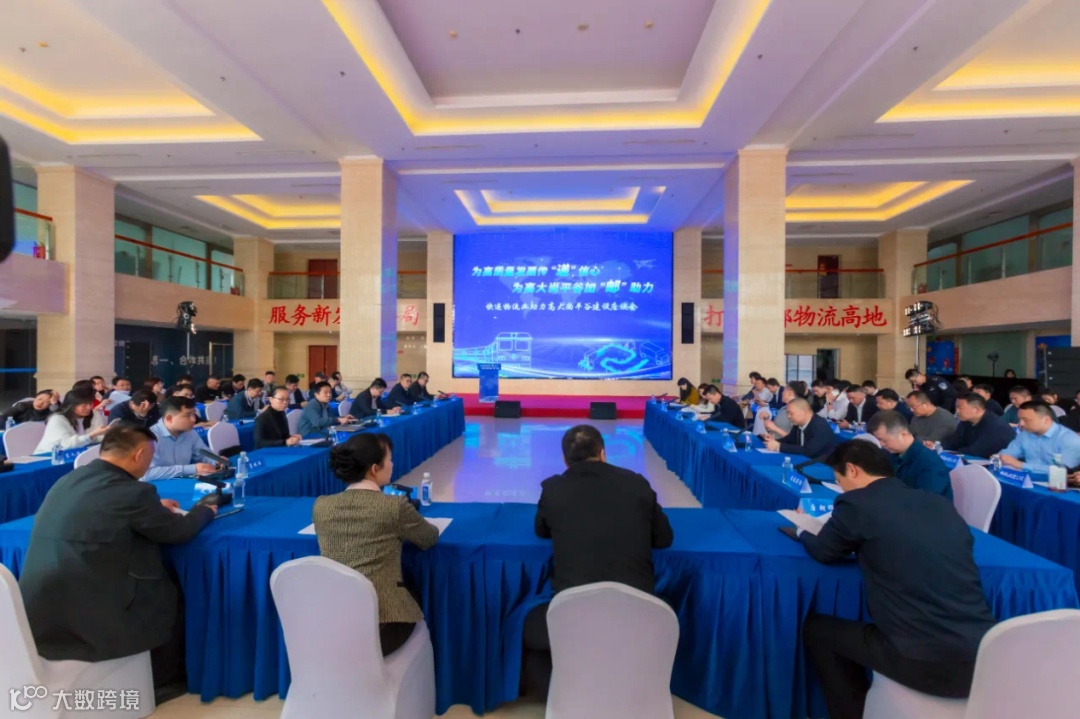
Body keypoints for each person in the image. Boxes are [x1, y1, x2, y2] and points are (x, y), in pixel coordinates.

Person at [790, 440, 995, 719]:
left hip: (924, 661)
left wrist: (801, 531)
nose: (841, 487)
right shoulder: (938, 503)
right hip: (985, 657)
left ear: (852, 470)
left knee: (817, 631)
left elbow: (825, 551)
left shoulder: (857, 503)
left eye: (839, 480)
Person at [18, 424, 217, 698]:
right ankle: (163, 679)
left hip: (43, 604)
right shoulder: (134, 492)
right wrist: (204, 511)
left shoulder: (69, 479)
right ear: (139, 455)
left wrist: (154, 509)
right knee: (171, 590)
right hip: (95, 608)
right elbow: (178, 532)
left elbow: (105, 509)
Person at [525, 425, 674, 697]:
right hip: (637, 616)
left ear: (565, 460)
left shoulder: (553, 489)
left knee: (524, 631)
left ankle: (574, 694)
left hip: (573, 619)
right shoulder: (636, 483)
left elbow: (541, 530)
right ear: (603, 454)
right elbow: (664, 539)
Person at [313, 433, 439, 656]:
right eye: (389, 459)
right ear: (374, 469)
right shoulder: (393, 506)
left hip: (335, 620)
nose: (392, 464)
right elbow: (428, 538)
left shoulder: (321, 506)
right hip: (385, 623)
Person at [869, 411, 953, 499]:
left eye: (884, 440)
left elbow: (926, 501)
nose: (881, 444)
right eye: (879, 440)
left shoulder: (930, 463)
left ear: (903, 434)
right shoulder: (889, 454)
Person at [144, 397, 220, 481]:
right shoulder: (149, 437)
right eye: (187, 415)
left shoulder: (190, 433)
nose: (193, 419)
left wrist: (216, 461)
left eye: (193, 414)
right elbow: (146, 473)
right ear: (169, 418)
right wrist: (192, 469)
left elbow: (203, 454)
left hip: (182, 482)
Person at [1000, 401, 1080, 474]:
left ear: (1046, 420)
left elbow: (1062, 471)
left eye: (1026, 420)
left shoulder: (1069, 439)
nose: (1021, 424)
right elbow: (1007, 454)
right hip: (1026, 478)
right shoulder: (1025, 434)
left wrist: (1021, 465)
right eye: (1020, 419)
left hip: (1057, 482)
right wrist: (1003, 458)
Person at [940, 393, 1016, 459]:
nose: (957, 411)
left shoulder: (995, 426)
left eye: (960, 408)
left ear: (976, 409)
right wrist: (938, 446)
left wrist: (951, 454)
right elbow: (954, 441)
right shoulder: (966, 421)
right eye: (956, 407)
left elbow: (975, 451)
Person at [34, 390, 109, 455]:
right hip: (48, 456)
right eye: (84, 405)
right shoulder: (57, 419)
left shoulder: (92, 415)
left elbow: (94, 439)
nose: (89, 407)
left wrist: (109, 435)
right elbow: (66, 445)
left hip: (73, 454)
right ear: (71, 405)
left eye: (90, 404)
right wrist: (92, 435)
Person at [765, 398, 838, 458]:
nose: (789, 416)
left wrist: (779, 446)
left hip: (821, 465)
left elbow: (809, 451)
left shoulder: (820, 426)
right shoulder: (798, 424)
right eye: (788, 413)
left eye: (791, 413)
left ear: (803, 411)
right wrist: (774, 441)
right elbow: (789, 440)